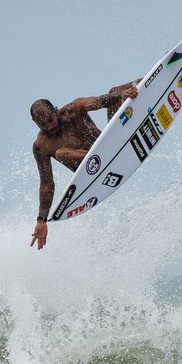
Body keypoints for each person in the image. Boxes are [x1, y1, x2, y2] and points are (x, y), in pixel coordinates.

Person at [29, 81, 139, 250]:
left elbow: (101, 101)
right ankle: (103, 156)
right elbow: (46, 183)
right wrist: (41, 220)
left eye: (50, 120)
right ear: (36, 124)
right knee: (61, 153)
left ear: (55, 110)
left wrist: (123, 95)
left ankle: (162, 75)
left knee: (116, 92)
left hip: (108, 146)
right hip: (92, 171)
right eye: (43, 125)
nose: (49, 127)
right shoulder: (41, 145)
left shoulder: (75, 108)